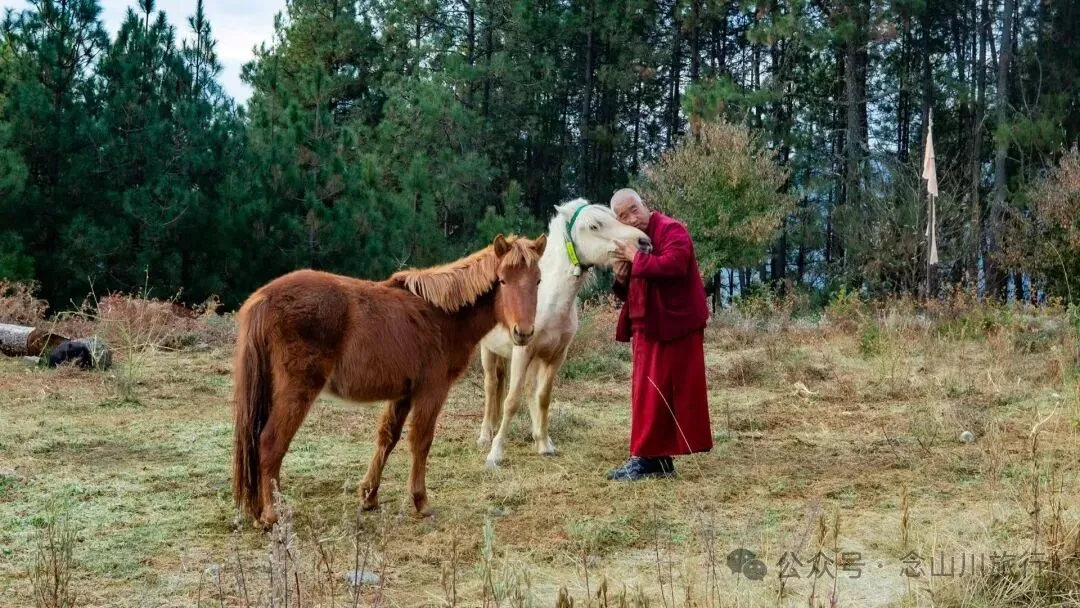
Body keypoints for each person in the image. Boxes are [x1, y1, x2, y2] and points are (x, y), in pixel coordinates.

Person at [607, 188, 713, 481]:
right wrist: (622, 273)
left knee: (657, 394)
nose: (631, 218)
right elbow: (633, 285)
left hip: (673, 326)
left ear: (645, 205)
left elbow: (675, 266)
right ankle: (656, 460)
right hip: (648, 325)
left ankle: (648, 459)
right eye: (622, 216)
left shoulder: (671, 229)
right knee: (647, 394)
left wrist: (635, 259)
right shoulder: (634, 240)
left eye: (633, 209)